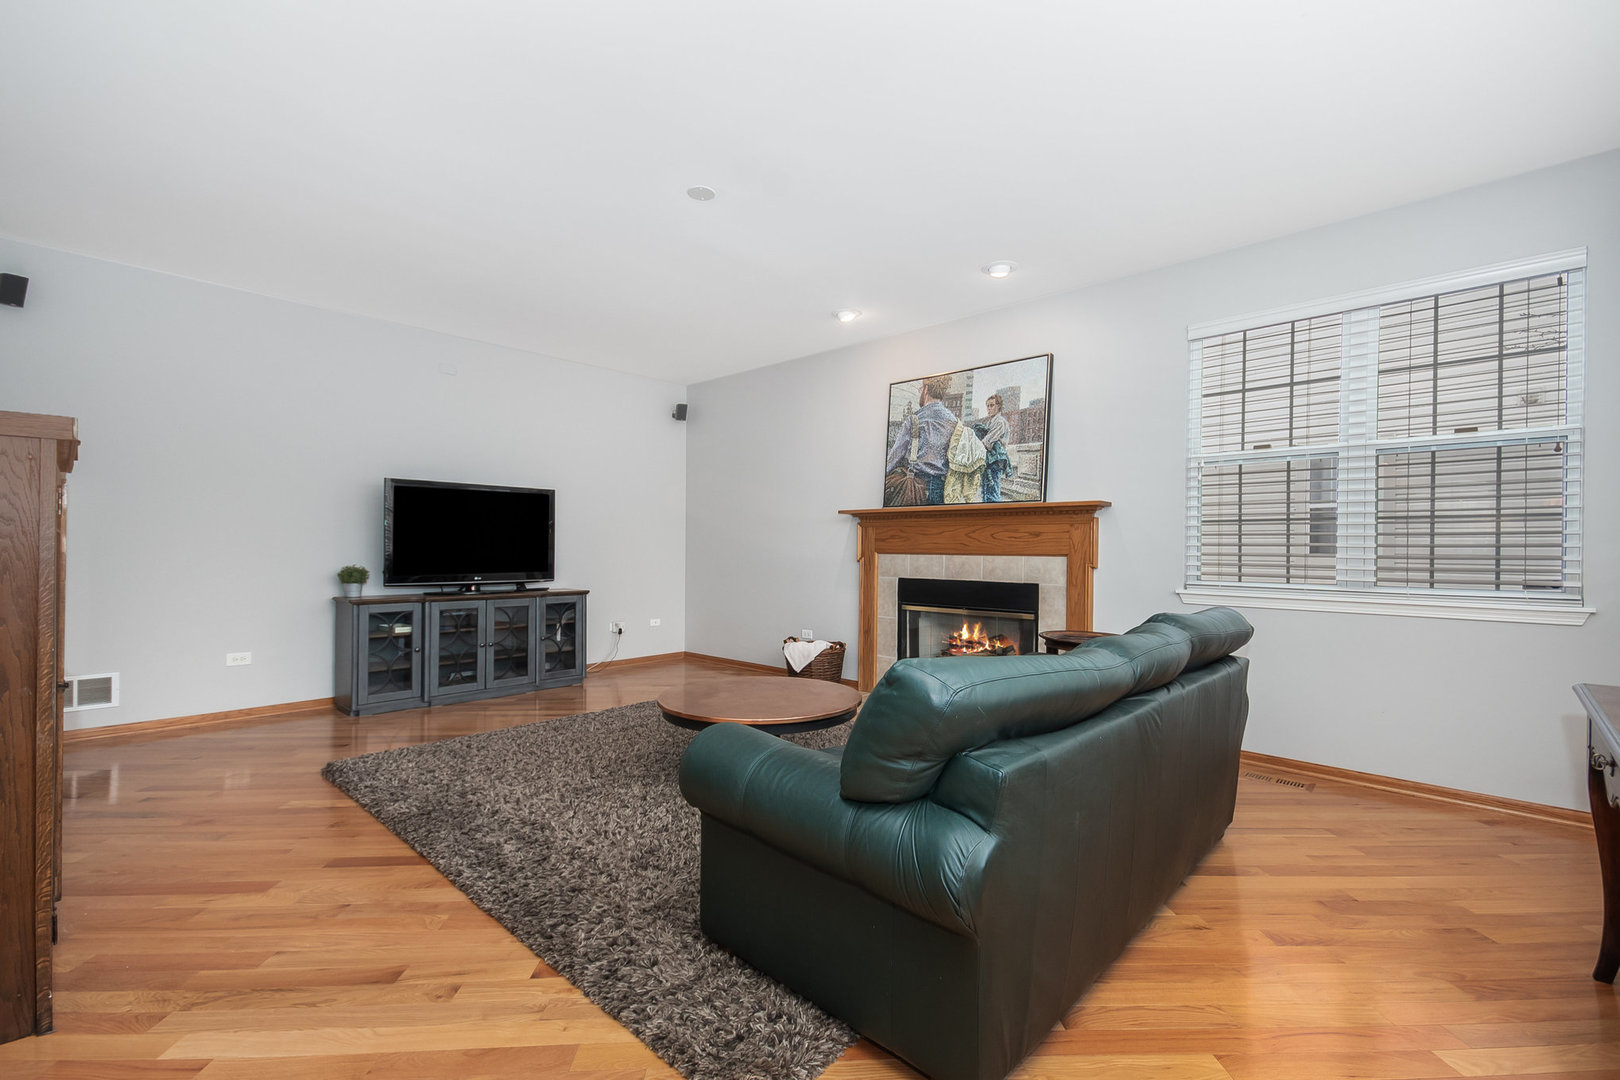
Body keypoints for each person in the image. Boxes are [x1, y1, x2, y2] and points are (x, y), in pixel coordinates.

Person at [885, 377, 957, 505]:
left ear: (926, 389)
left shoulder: (914, 420)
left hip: (915, 487)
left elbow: (894, 457)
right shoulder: (954, 421)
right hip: (942, 488)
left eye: (920, 389)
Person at [975, 393, 1012, 501]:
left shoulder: (1000, 422)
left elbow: (987, 441)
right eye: (987, 406)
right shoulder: (991, 422)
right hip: (990, 460)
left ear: (999, 406)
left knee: (992, 490)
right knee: (986, 490)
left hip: (996, 460)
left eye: (992, 405)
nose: (989, 408)